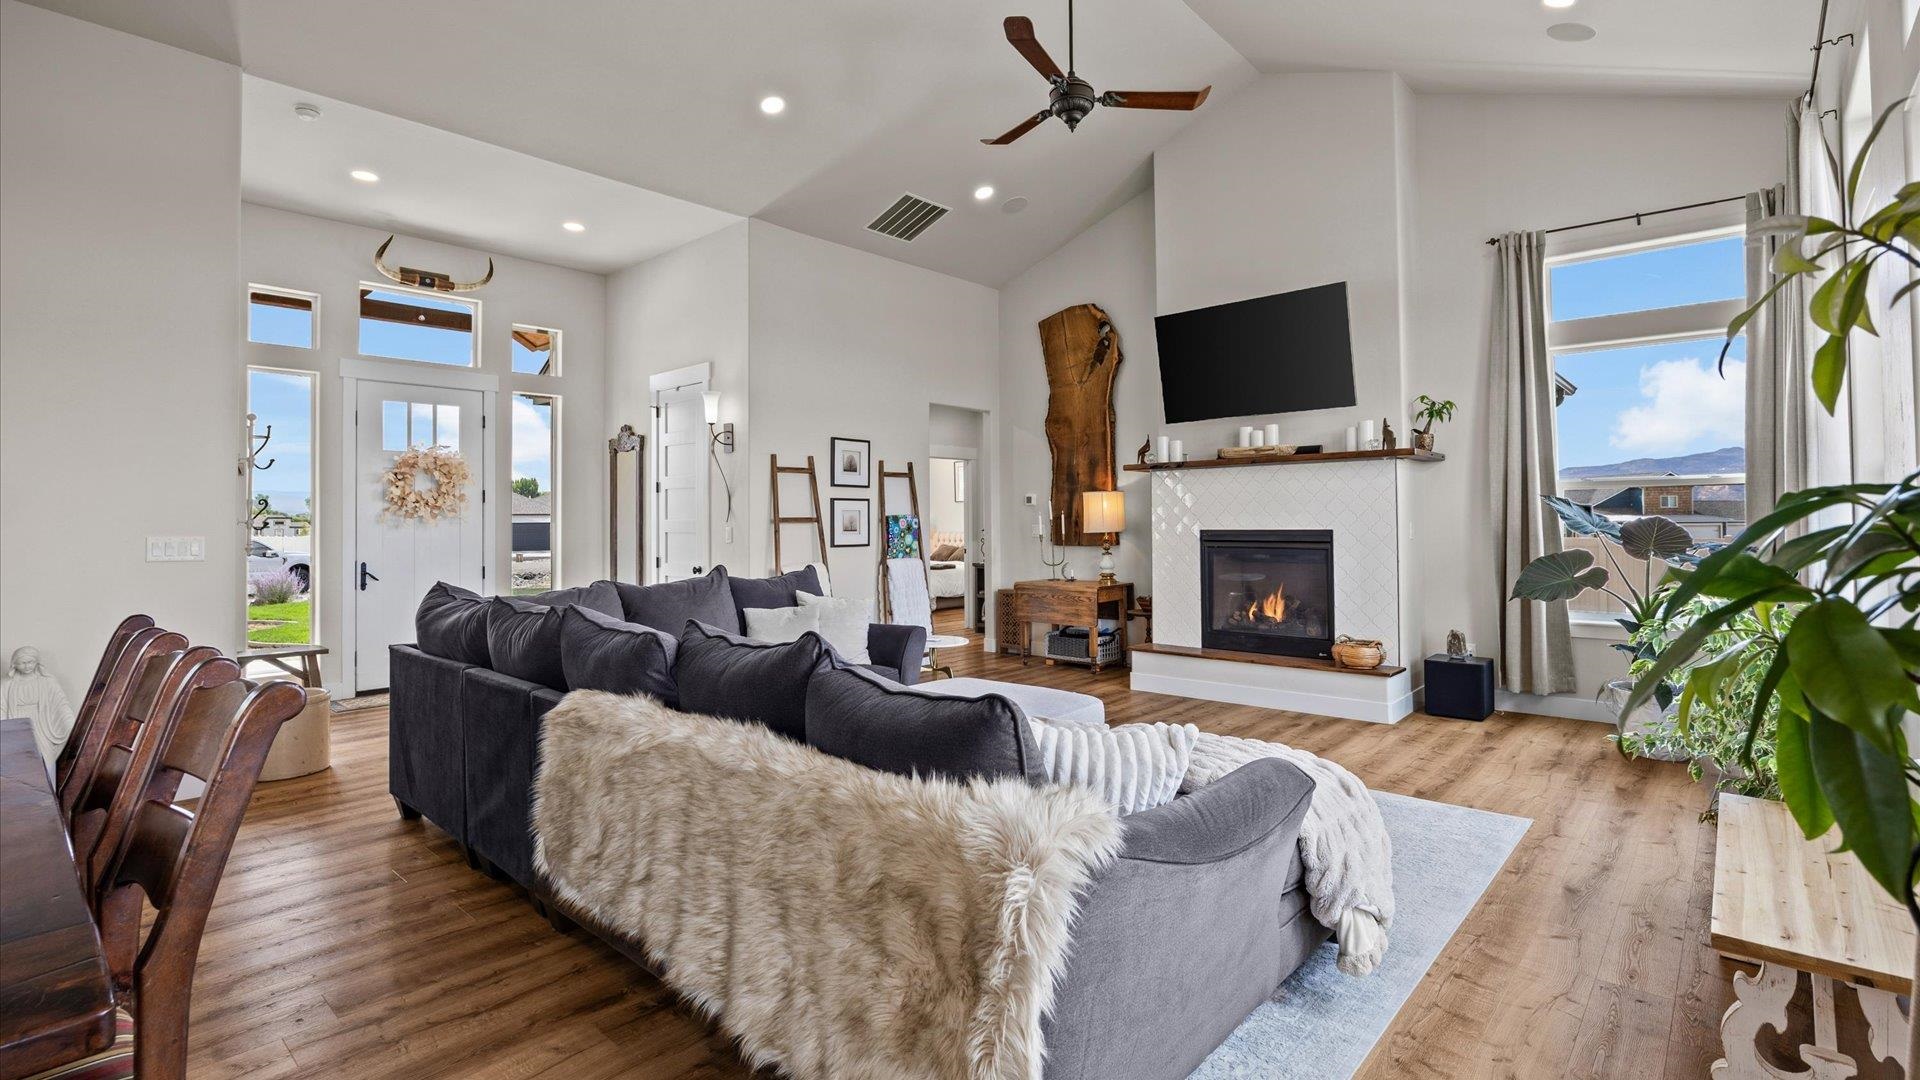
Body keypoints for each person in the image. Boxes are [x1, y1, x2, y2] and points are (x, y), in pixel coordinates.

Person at [2, 645, 75, 768]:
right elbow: (1, 707)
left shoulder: (47, 682)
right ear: (14, 664)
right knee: (20, 760)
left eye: (30, 662)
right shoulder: (7, 685)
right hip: (17, 724)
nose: (27, 666)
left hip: (42, 724)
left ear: (37, 662)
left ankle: (45, 785)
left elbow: (61, 704)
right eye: (22, 663)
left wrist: (69, 721)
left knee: (45, 757)